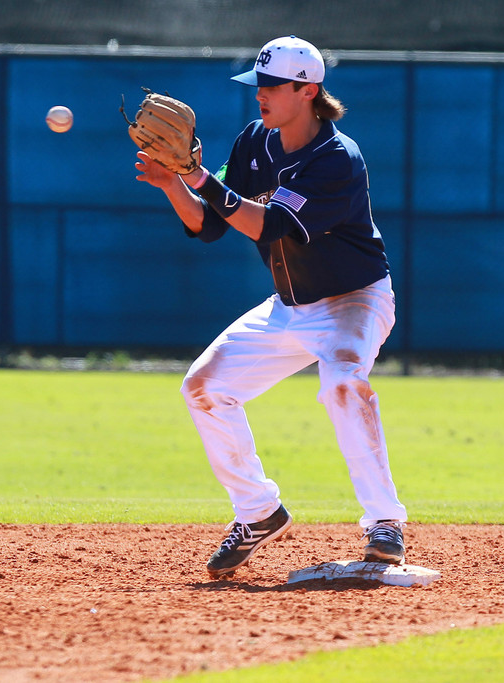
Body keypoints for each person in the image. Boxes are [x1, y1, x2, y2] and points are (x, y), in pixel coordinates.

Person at [134, 35, 407, 579]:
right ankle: (258, 511)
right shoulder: (254, 142)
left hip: (354, 300)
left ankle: (385, 524)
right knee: (205, 389)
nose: (259, 94)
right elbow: (209, 224)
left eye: (271, 85)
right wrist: (173, 183)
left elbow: (268, 224)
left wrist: (197, 175)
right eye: (256, 84)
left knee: (343, 382)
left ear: (307, 91)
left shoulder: (336, 159)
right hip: (290, 306)